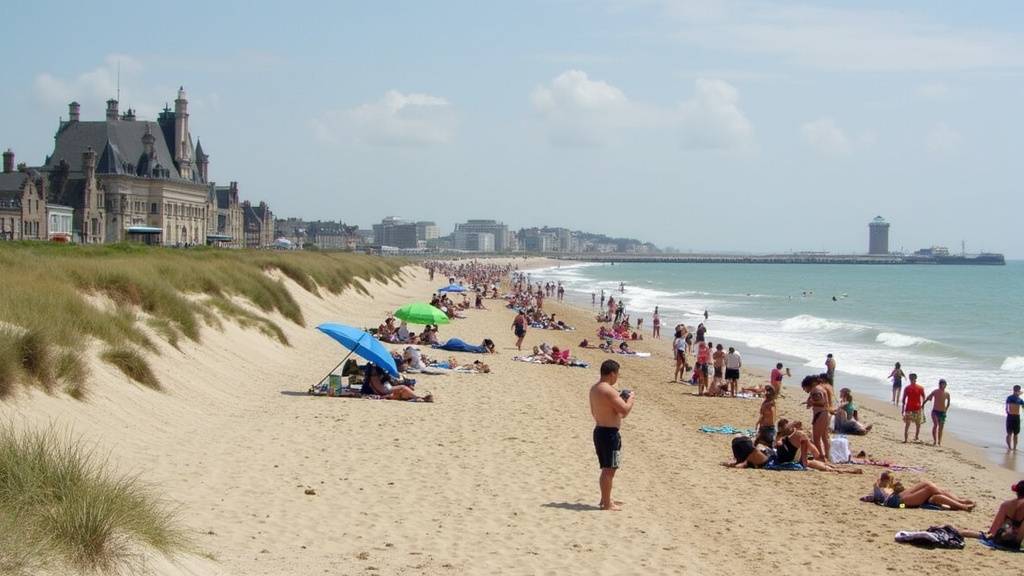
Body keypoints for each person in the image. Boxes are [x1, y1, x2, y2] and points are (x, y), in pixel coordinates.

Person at [589, 360, 635, 511]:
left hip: (600, 431)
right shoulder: (608, 390)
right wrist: (631, 399)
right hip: (610, 435)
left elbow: (596, 411)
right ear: (612, 374)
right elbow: (625, 411)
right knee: (609, 470)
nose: (617, 377)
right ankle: (607, 503)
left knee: (607, 468)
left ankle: (606, 498)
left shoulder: (594, 388)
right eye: (617, 374)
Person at [774, 419, 862, 473]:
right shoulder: (793, 436)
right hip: (794, 460)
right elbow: (815, 452)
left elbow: (814, 452)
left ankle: (842, 469)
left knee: (823, 465)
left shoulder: (781, 437)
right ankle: (844, 469)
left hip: (793, 459)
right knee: (824, 466)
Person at [957, 480, 1024, 549]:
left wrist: (992, 534)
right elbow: (1019, 536)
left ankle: (960, 532)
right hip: (1015, 542)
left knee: (981, 534)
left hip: (1000, 538)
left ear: (1017, 492)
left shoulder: (1006, 504)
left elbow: (995, 527)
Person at [867, 472, 974, 511]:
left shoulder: (886, 487)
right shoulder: (877, 488)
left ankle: (960, 501)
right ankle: (962, 505)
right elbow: (872, 498)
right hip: (897, 504)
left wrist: (897, 488)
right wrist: (878, 486)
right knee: (930, 489)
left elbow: (868, 498)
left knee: (926, 483)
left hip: (897, 497)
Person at [361, 365, 433, 402]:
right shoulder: (374, 376)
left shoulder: (373, 375)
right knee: (403, 387)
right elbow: (379, 389)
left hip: (385, 389)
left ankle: (416, 397)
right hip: (384, 390)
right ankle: (417, 397)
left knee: (403, 388)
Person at [802, 374, 831, 462]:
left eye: (805, 388)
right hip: (825, 414)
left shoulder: (815, 390)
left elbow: (821, 402)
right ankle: (827, 455)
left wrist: (811, 403)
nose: (805, 390)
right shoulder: (821, 388)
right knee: (824, 437)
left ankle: (821, 457)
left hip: (820, 414)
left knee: (816, 438)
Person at [924, 379, 951, 446]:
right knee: (935, 425)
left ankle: (939, 442)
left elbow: (948, 403)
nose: (943, 385)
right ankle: (934, 441)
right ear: (939, 384)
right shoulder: (935, 391)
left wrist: (946, 410)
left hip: (942, 413)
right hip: (935, 412)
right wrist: (923, 405)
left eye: (945, 384)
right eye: (942, 384)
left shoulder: (947, 394)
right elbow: (928, 398)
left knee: (941, 428)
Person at [901, 373, 926, 443]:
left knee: (912, 424)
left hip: (914, 408)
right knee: (915, 424)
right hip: (913, 408)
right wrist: (923, 405)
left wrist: (923, 405)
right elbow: (924, 397)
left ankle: (910, 438)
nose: (912, 379)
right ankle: (912, 438)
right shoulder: (918, 388)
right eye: (911, 378)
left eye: (912, 378)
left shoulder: (910, 388)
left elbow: (903, 400)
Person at [1007, 385, 1024, 451]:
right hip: (1016, 417)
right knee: (1014, 434)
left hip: (1010, 416)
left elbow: (1007, 408)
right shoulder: (1019, 400)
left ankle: (1010, 447)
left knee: (1010, 433)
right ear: (1018, 391)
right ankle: (1013, 448)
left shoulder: (1009, 398)